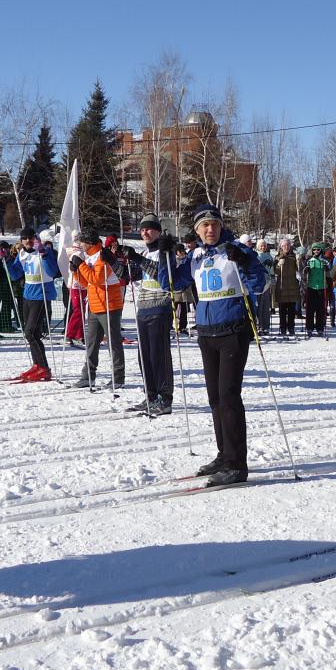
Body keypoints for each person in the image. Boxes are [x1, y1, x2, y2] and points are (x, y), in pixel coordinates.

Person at [156, 204, 265, 486]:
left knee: (229, 396)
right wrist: (165, 255)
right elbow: (169, 283)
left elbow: (260, 282)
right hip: (207, 332)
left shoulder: (234, 250)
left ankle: (237, 464)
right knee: (215, 398)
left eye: (214, 224)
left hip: (234, 329)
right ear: (196, 230)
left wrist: (244, 259)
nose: (209, 229)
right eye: (204, 225)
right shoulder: (196, 256)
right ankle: (224, 454)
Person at [120, 214, 175, 414]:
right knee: (144, 357)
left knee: (159, 356)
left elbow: (163, 277)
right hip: (143, 309)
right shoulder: (144, 252)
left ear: (158, 231)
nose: (145, 232)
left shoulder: (164, 252)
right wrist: (113, 262)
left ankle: (164, 398)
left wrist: (138, 259)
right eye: (143, 229)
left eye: (150, 229)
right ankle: (150, 395)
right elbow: (128, 276)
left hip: (159, 308)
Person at [70, 230, 126, 389]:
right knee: (92, 343)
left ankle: (118, 378)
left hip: (109, 305)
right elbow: (86, 282)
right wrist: (75, 272)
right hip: (95, 305)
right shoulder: (90, 257)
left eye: (82, 242)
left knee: (113, 343)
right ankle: (88, 376)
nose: (80, 245)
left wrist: (80, 264)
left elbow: (97, 278)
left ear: (88, 242)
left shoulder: (103, 256)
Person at [8, 227, 58, 382]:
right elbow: (15, 274)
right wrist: (6, 260)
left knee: (30, 333)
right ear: (21, 241)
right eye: (25, 239)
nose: (28, 241)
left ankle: (43, 367)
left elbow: (52, 271)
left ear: (36, 239)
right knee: (33, 334)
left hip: (42, 295)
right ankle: (38, 365)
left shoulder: (45, 251)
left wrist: (43, 254)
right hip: (27, 295)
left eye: (31, 238)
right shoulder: (22, 254)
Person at [274, 238, 301, 339]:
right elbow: (275, 272)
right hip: (282, 287)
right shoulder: (277, 257)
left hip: (292, 286)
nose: (286, 247)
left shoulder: (293, 257)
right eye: (284, 245)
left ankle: (291, 328)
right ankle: (283, 328)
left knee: (291, 310)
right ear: (281, 246)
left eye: (288, 245)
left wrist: (299, 262)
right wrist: (278, 264)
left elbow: (298, 269)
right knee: (282, 310)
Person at [302, 244, 330, 338]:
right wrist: (306, 270)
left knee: (320, 309)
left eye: (318, 249)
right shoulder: (309, 260)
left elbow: (329, 271)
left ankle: (320, 328)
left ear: (321, 250)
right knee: (310, 309)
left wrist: (327, 268)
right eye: (314, 249)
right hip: (311, 287)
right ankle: (309, 327)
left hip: (322, 287)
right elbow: (303, 271)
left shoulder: (324, 260)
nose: (316, 251)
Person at [254, 239, 275, 335]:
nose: (263, 247)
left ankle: (265, 326)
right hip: (258, 284)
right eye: (261, 246)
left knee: (266, 305)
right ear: (258, 247)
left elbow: (271, 270)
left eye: (264, 246)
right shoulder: (255, 256)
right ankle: (258, 325)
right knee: (258, 305)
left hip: (267, 283)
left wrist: (272, 280)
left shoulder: (269, 257)